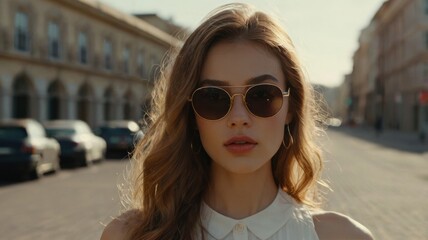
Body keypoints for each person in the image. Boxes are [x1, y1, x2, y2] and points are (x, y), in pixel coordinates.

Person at [101, 3, 374, 240]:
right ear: (191, 114)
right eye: (213, 98)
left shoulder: (345, 236)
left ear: (291, 108)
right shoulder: (128, 235)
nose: (239, 118)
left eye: (262, 96)